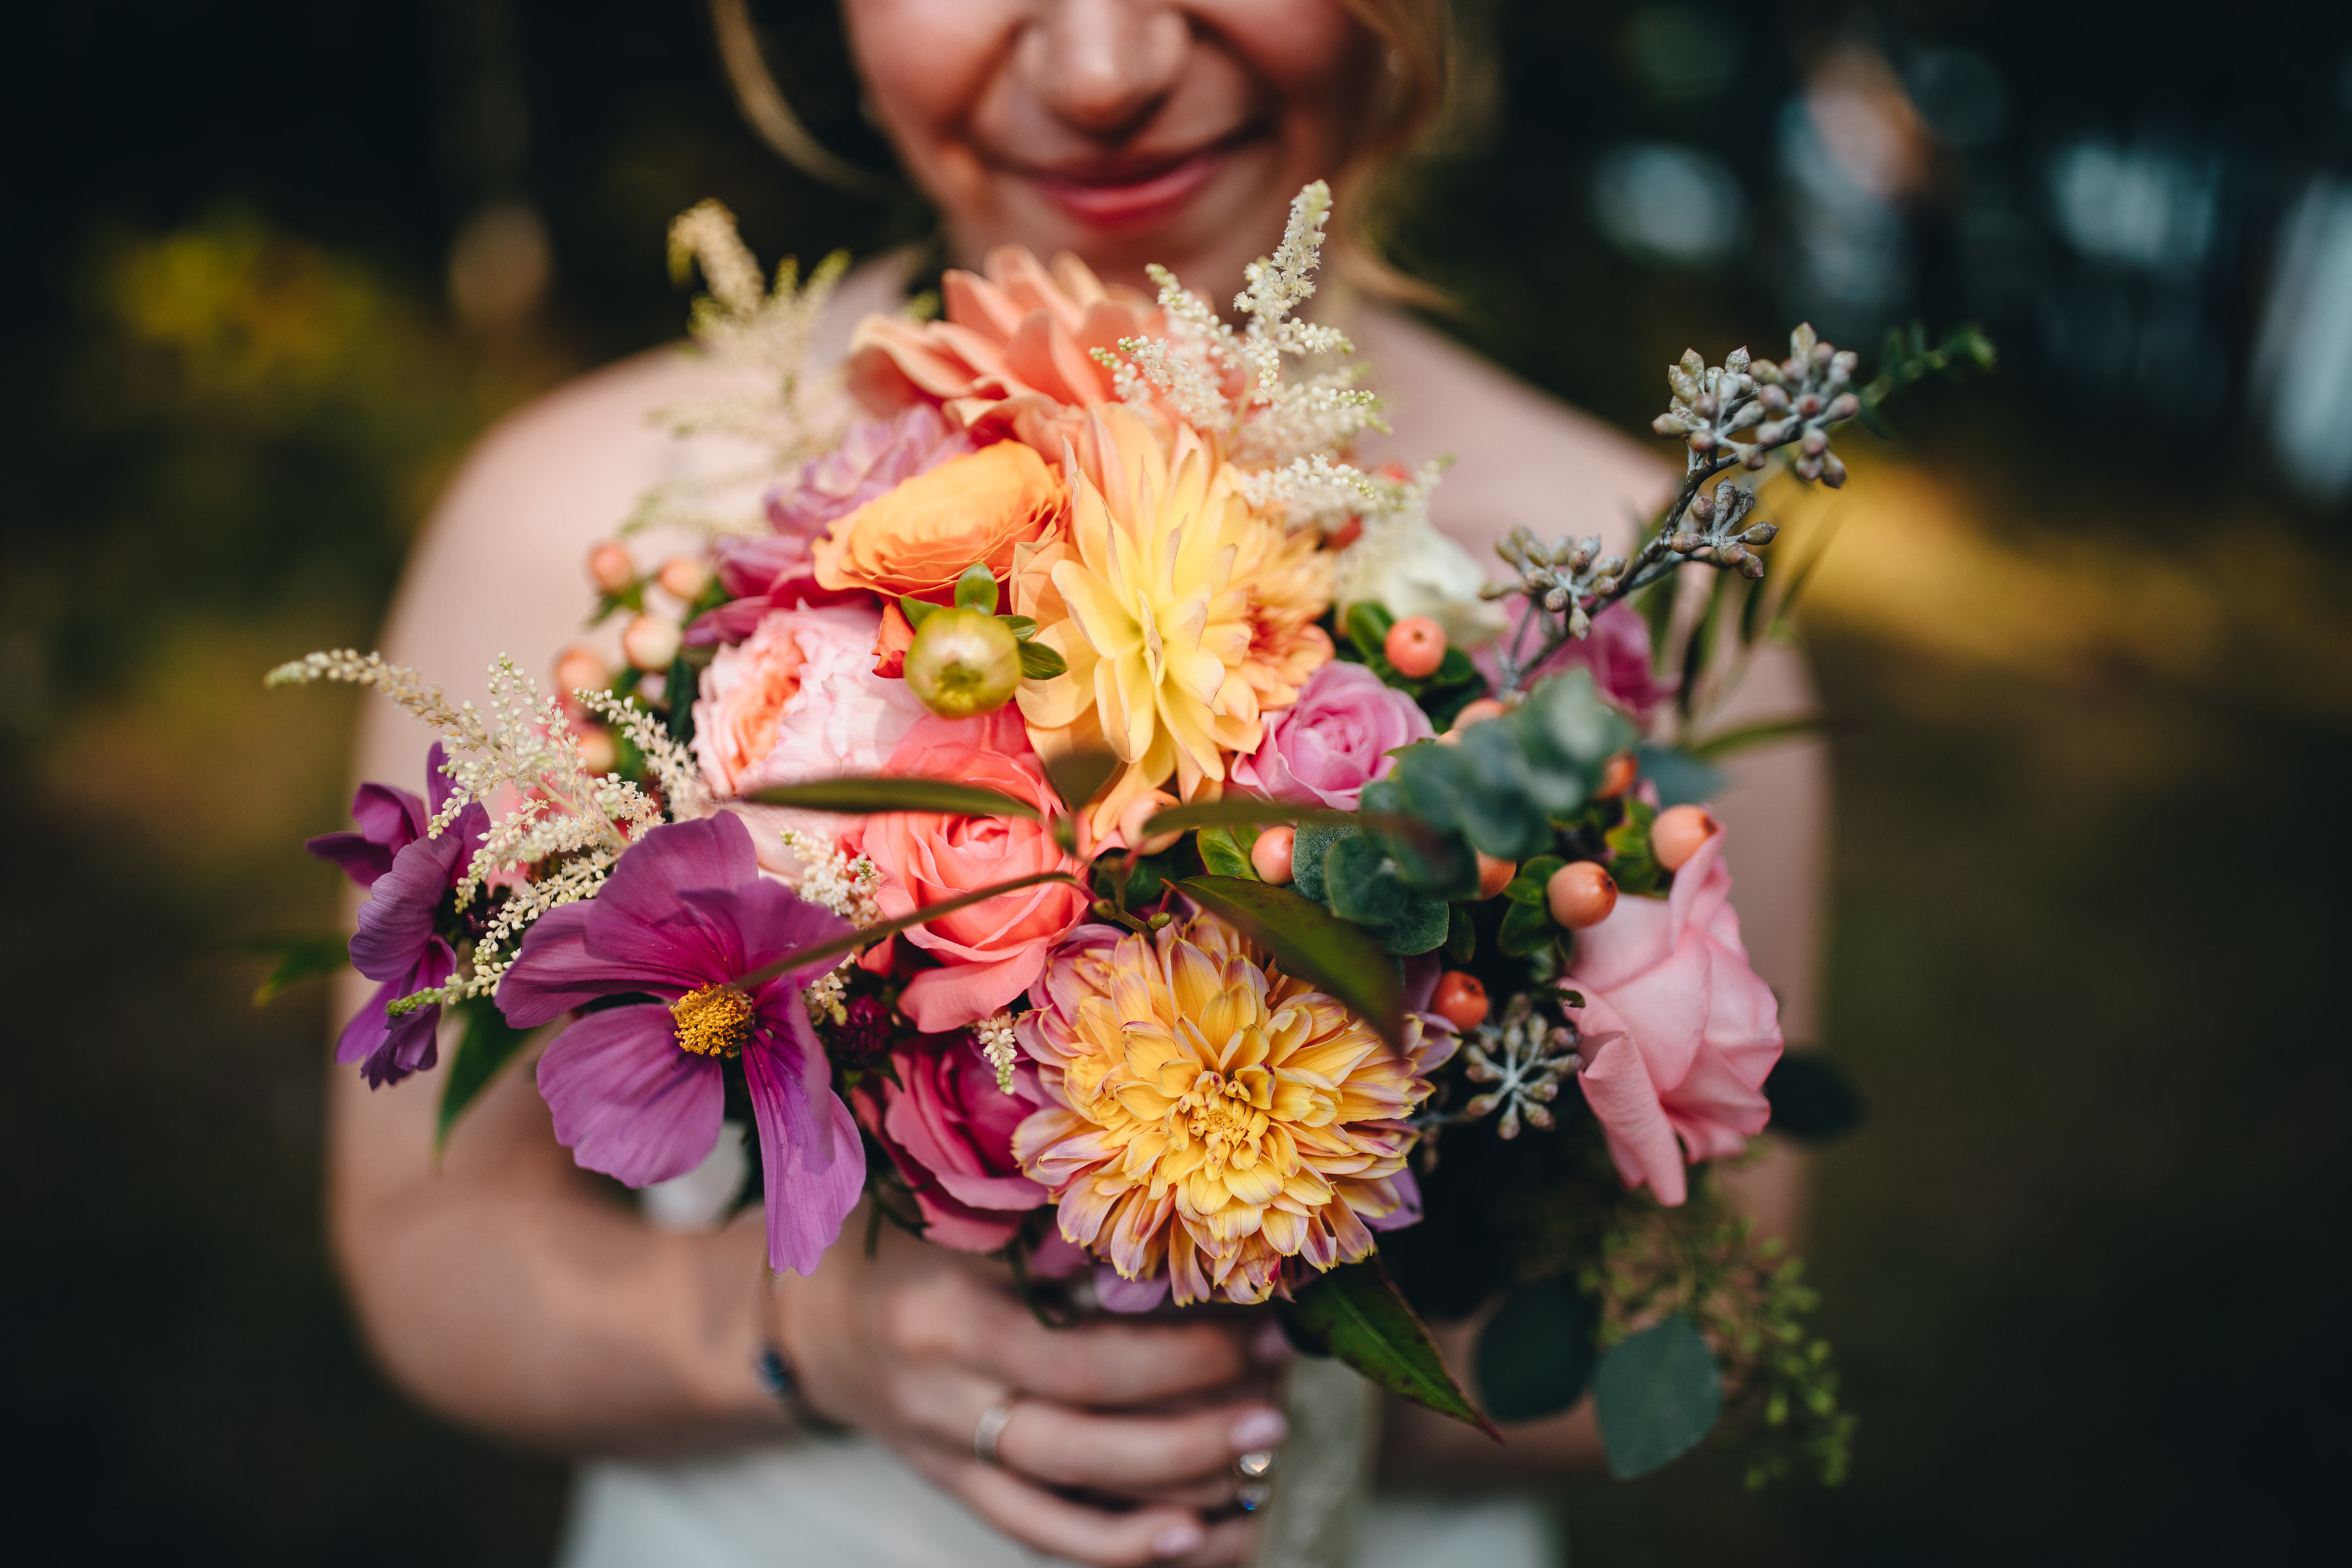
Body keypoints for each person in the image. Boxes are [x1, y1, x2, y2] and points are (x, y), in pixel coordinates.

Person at [329, 3, 1823, 1564]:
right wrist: (804, 1340)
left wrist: (1297, 1375)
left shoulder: (1647, 573)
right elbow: (429, 1235)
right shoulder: (557, 519)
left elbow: (1711, 1291)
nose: (1106, 71)